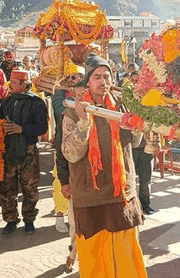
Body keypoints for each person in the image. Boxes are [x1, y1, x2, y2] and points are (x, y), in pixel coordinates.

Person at [62, 55, 147, 278]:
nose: (103, 82)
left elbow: (135, 144)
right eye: (97, 77)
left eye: (106, 76)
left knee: (127, 260)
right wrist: (83, 122)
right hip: (90, 195)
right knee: (95, 263)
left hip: (122, 194)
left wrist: (137, 123)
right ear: (88, 81)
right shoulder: (73, 111)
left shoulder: (121, 106)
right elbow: (70, 153)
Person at [0, 70, 48, 235]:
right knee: (7, 188)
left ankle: (29, 220)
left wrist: (22, 129)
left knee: (30, 188)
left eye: (13, 82)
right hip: (8, 151)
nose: (9, 85)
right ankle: (10, 219)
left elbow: (42, 128)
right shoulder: (5, 102)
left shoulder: (36, 103)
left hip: (28, 152)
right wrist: (2, 127)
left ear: (23, 85)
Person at [51, 65, 85, 232]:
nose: (73, 81)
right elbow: (62, 111)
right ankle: (59, 214)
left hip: (84, 142)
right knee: (61, 177)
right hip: (63, 139)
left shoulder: (86, 94)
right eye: (70, 77)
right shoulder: (60, 95)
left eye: (77, 77)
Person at [129, 70, 155, 215]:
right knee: (130, 179)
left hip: (146, 146)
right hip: (131, 147)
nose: (135, 83)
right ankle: (132, 207)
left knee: (146, 181)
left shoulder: (152, 101)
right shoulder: (126, 100)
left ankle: (145, 205)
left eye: (138, 80)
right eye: (133, 80)